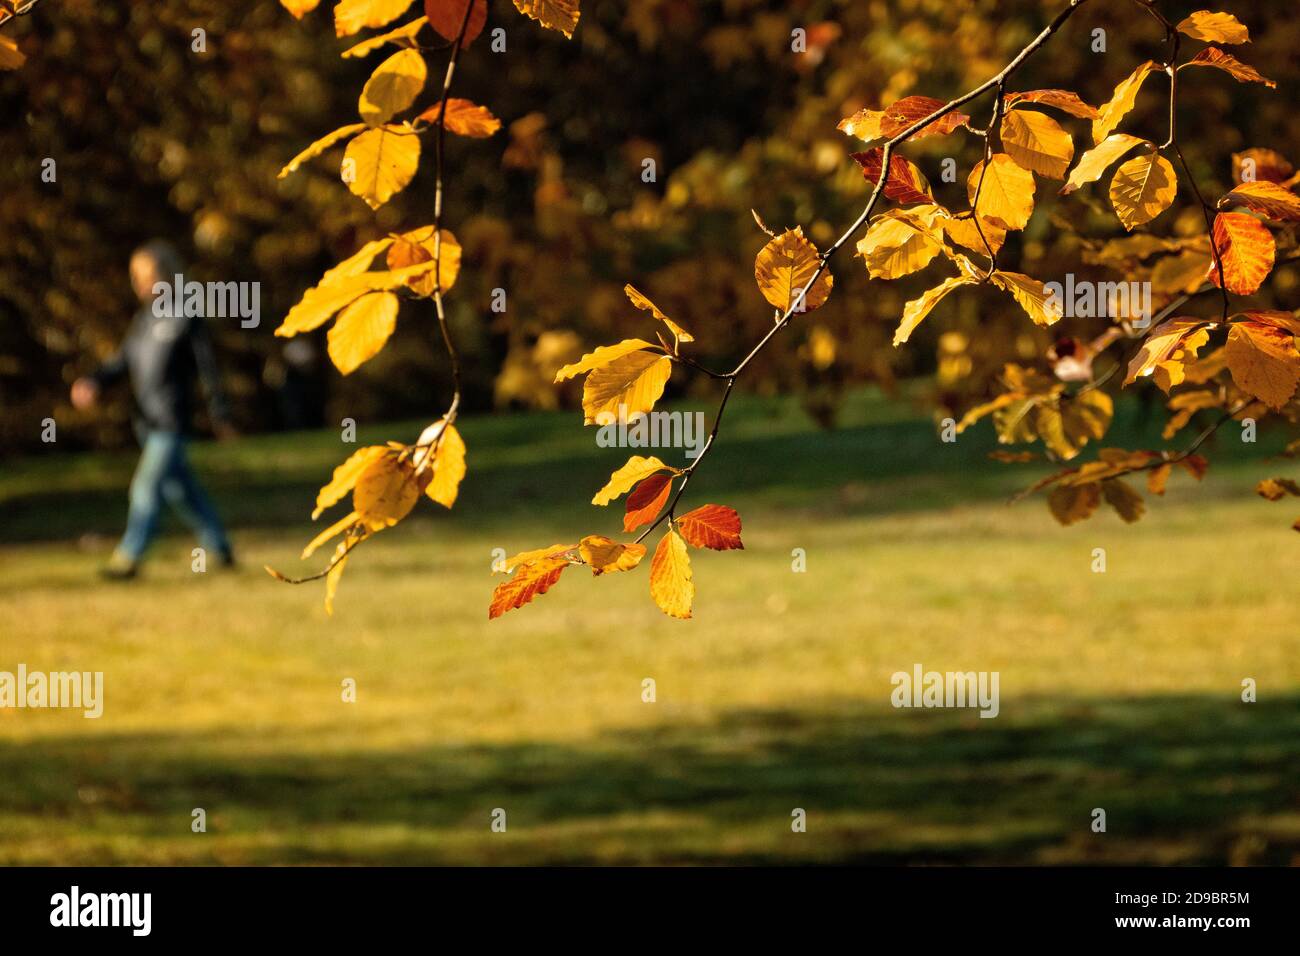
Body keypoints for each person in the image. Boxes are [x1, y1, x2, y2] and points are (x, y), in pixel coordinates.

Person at [70, 240, 235, 579]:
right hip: (146, 420)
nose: (142, 283)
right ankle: (220, 549)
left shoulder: (187, 313)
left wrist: (220, 412)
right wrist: (94, 381)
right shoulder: (144, 320)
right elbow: (123, 360)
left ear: (168, 273)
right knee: (182, 491)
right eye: (137, 277)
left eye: (148, 275)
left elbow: (208, 368)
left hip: (172, 421)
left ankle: (128, 558)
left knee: (145, 487)